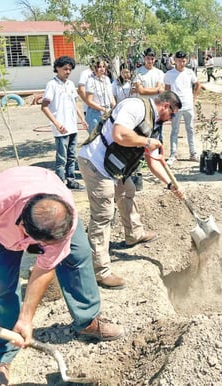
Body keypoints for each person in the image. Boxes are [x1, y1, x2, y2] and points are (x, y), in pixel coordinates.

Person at [0, 166, 124, 385]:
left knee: (78, 255)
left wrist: (27, 319)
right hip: (4, 226)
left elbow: (45, 267)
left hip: (45, 201)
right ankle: (4, 352)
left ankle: (86, 320)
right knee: (2, 285)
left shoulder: (65, 218)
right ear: (26, 231)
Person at [78, 92, 183, 290]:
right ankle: (100, 271)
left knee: (128, 190)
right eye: (173, 114)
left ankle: (133, 233)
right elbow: (119, 134)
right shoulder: (136, 106)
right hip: (95, 163)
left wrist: (171, 184)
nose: (172, 119)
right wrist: (145, 142)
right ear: (166, 106)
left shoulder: (154, 124)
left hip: (116, 168)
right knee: (103, 215)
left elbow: (154, 161)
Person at [41, 56, 88, 191]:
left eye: (69, 69)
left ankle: (71, 180)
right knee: (62, 158)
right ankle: (60, 183)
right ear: (57, 68)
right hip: (61, 128)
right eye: (64, 69)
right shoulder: (52, 85)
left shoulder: (70, 84)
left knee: (72, 155)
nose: (67, 71)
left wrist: (82, 120)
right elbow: (44, 107)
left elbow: (75, 104)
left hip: (72, 127)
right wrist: (56, 124)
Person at [164, 50, 202, 165]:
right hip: (176, 107)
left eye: (184, 60)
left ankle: (193, 153)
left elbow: (197, 84)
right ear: (175, 61)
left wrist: (194, 97)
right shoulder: (169, 74)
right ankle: (173, 154)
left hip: (188, 106)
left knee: (190, 129)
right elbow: (167, 90)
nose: (182, 63)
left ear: (187, 61)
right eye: (179, 61)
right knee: (174, 130)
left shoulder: (190, 72)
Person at [135, 48, 166, 141]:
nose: (150, 61)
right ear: (144, 58)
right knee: (142, 134)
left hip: (156, 107)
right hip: (143, 107)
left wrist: (146, 90)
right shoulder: (138, 72)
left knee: (157, 134)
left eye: (152, 59)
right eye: (148, 58)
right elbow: (140, 91)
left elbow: (160, 89)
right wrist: (156, 90)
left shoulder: (159, 73)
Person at [84, 58, 116, 134]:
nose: (102, 69)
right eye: (99, 67)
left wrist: (115, 109)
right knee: (95, 139)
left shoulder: (107, 79)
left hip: (107, 112)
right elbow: (89, 101)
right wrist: (103, 109)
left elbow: (111, 97)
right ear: (94, 68)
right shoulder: (91, 81)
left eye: (103, 66)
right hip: (95, 113)